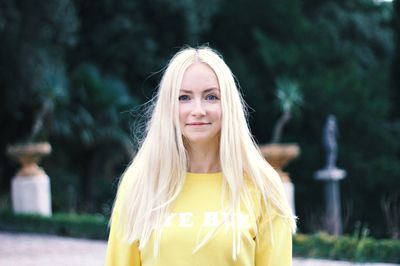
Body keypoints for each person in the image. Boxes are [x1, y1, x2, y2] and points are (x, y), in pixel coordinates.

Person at [106, 46, 296, 266]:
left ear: (228, 104)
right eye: (184, 97)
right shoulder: (140, 183)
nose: (198, 109)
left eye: (211, 97)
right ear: (169, 105)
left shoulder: (263, 186)